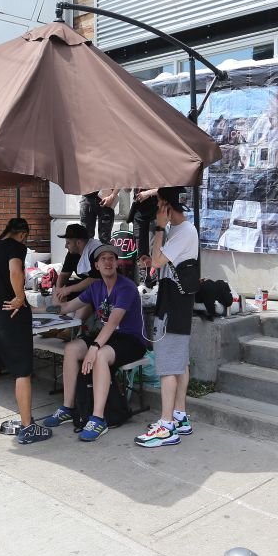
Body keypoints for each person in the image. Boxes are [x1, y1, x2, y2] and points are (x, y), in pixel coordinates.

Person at [40, 244, 147, 441]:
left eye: (111, 258)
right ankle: (68, 407)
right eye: (103, 259)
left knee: (100, 354)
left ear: (116, 263)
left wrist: (94, 348)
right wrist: (36, 310)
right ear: (96, 266)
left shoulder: (126, 287)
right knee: (72, 348)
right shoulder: (95, 287)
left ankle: (98, 419)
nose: (108, 262)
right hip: (109, 337)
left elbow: (113, 322)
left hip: (132, 340)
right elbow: (65, 308)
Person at [0, 218, 52, 444]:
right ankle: (28, 427)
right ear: (22, 234)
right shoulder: (16, 247)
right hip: (13, 315)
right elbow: (15, 271)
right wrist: (19, 297)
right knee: (22, 371)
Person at [135, 187, 199, 448]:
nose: (158, 211)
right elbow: (160, 261)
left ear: (168, 206)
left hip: (173, 305)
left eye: (160, 205)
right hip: (177, 302)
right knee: (180, 363)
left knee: (167, 366)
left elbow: (158, 263)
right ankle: (179, 415)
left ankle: (166, 425)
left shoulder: (183, 230)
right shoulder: (182, 231)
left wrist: (159, 229)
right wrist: (154, 254)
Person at [53, 223, 103, 303]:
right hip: (86, 287)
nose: (65, 246)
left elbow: (95, 279)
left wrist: (68, 289)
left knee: (88, 292)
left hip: (102, 288)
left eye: (68, 243)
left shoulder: (95, 251)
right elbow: (64, 274)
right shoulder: (72, 253)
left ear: (78, 243)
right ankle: (57, 310)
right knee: (57, 286)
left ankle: (68, 311)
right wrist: (59, 290)